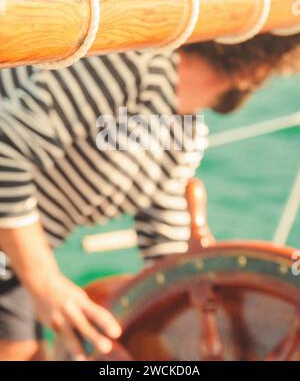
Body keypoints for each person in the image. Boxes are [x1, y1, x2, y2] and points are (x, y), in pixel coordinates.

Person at [0, 33, 299, 361]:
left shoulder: (184, 133)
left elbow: (165, 261)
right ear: (257, 72)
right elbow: (5, 150)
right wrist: (45, 283)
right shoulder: (128, 63)